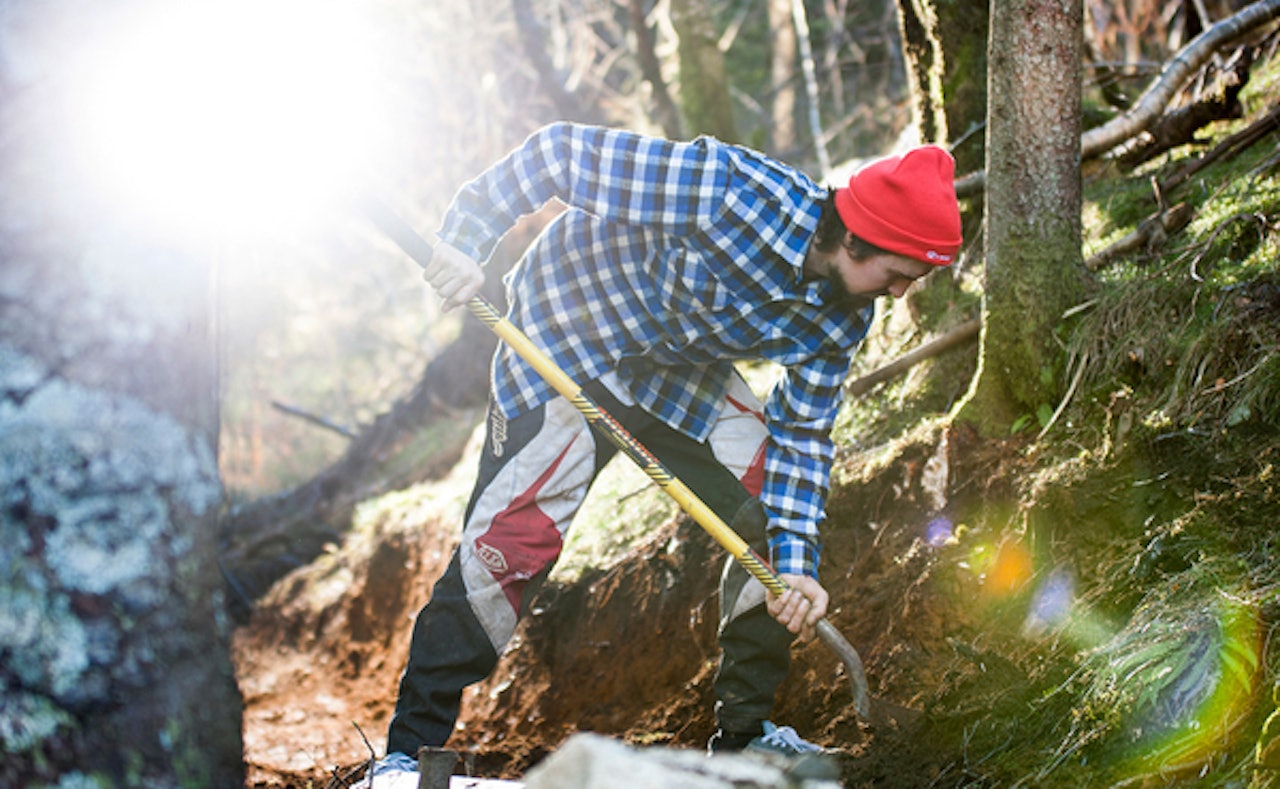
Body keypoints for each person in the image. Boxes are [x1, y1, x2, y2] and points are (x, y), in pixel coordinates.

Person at [364, 122, 961, 782]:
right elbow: (558, 155)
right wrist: (470, 237)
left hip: (667, 372)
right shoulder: (725, 191)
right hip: (561, 335)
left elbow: (804, 435)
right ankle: (404, 756)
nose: (900, 293)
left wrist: (796, 563)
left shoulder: (845, 315)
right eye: (898, 274)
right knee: (503, 552)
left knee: (772, 507)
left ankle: (745, 736)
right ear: (855, 235)